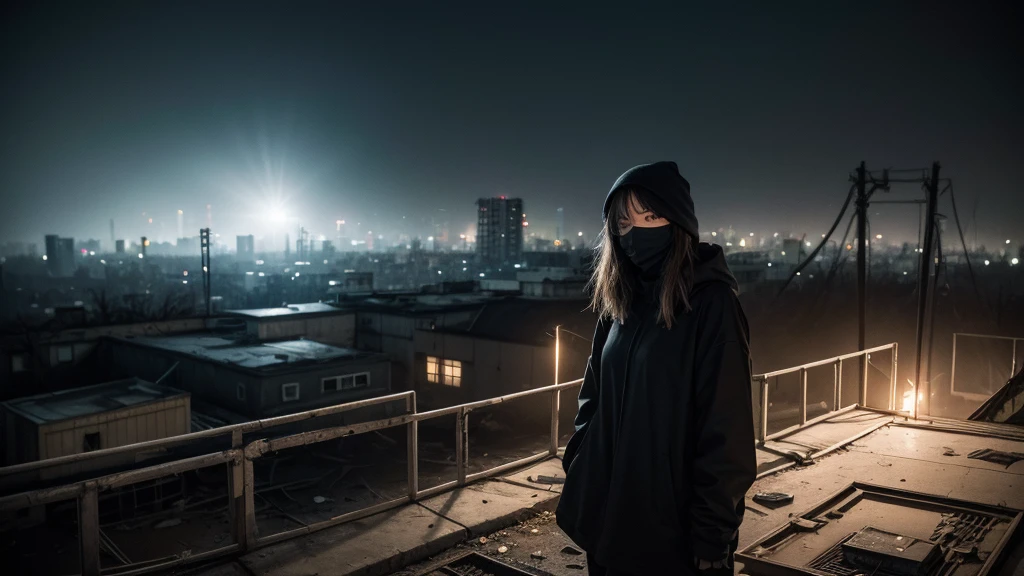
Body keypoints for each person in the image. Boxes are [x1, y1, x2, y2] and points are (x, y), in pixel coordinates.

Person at [556, 161, 756, 575]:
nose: (637, 233)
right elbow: (592, 396)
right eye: (625, 223)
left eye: (652, 217)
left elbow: (727, 432)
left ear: (679, 221)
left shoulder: (711, 305)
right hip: (606, 525)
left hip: (671, 536)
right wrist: (581, 460)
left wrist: (712, 536)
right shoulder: (620, 302)